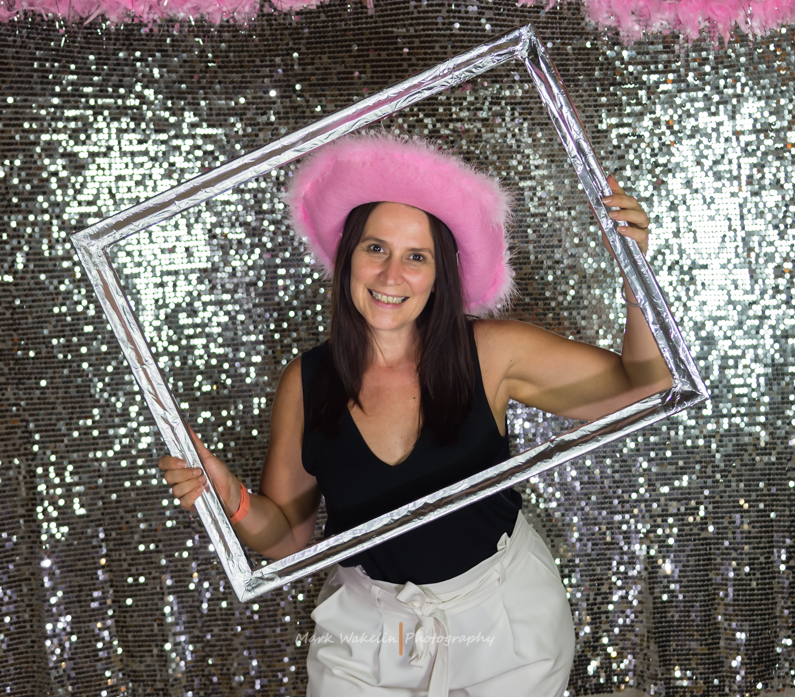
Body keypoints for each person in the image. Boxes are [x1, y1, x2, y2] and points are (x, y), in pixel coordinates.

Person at [158, 131, 672, 696]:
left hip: (505, 624)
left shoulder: (493, 352)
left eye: (416, 257)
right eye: (376, 248)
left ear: (440, 274)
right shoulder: (306, 384)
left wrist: (634, 276)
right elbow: (288, 540)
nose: (391, 276)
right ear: (348, 255)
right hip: (367, 635)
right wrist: (233, 499)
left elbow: (643, 388)